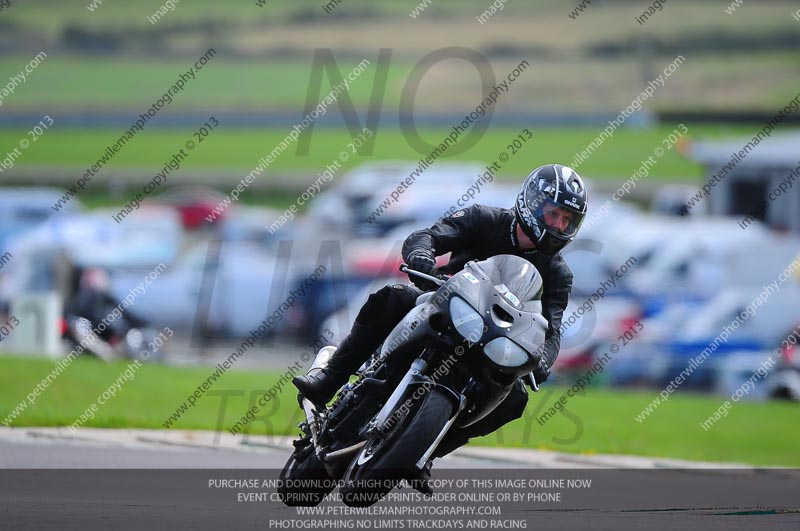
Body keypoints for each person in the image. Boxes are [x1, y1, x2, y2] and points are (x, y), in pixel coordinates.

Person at [293, 163, 587, 462]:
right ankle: (329, 379)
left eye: (568, 220)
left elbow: (551, 330)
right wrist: (422, 255)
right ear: (532, 203)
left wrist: (543, 359)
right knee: (395, 296)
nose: (559, 225)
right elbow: (426, 236)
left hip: (493, 341)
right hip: (445, 306)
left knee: (515, 398)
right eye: (554, 214)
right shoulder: (484, 218)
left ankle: (427, 453)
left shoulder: (559, 274)